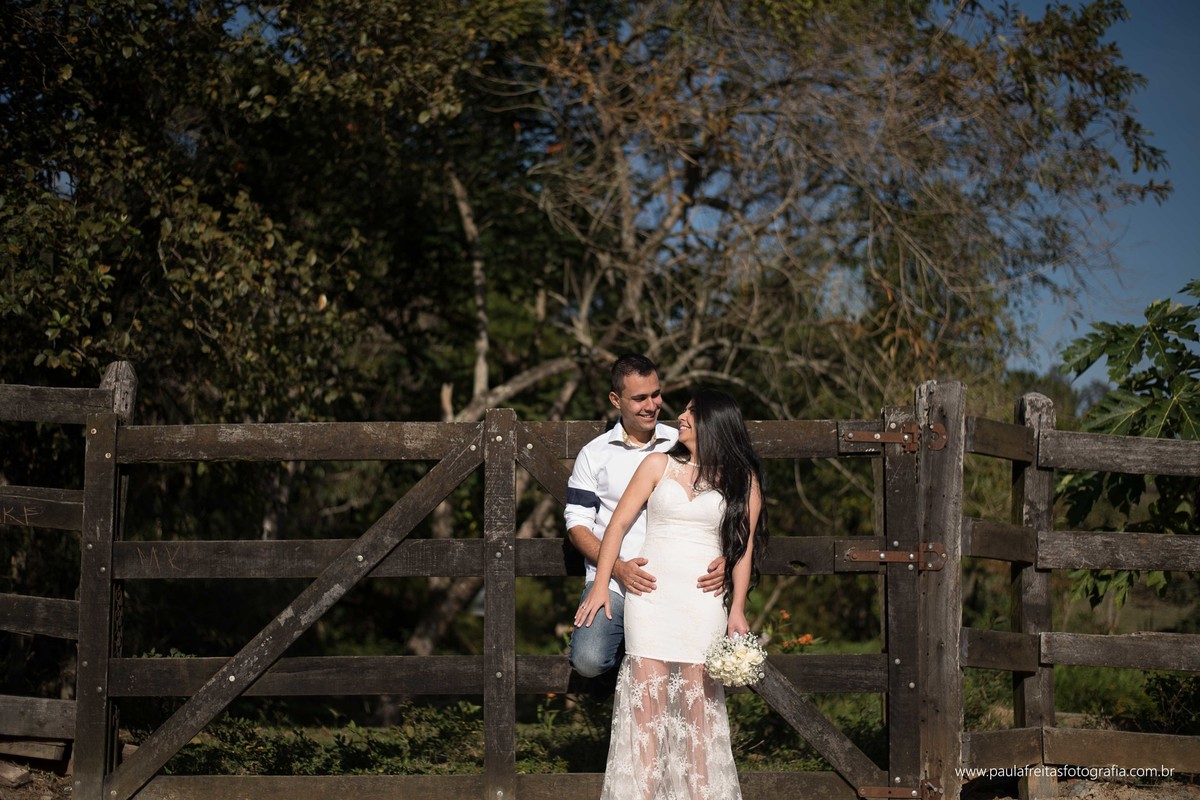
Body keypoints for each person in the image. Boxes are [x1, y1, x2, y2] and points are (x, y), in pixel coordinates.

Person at [574, 388, 767, 799]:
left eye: (691, 413)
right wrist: (601, 587)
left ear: (714, 423)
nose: (679, 416)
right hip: (651, 600)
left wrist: (738, 609)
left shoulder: (743, 481)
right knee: (646, 714)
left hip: (702, 603)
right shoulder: (657, 464)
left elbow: (744, 548)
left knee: (700, 715)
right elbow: (617, 527)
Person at [565, 355, 725, 681]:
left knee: (693, 668)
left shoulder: (681, 440)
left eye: (656, 394)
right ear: (615, 400)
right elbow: (577, 526)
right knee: (588, 660)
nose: (652, 405)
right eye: (639, 398)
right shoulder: (594, 454)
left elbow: (721, 500)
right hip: (613, 581)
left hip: (677, 582)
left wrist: (727, 556)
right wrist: (619, 570)